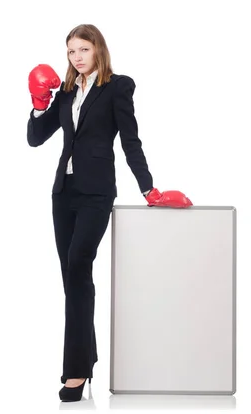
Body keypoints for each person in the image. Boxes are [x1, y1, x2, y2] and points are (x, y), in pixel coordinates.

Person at [26, 23, 191, 402]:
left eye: (83, 49)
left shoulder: (118, 87)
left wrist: (148, 187)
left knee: (78, 266)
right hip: (63, 193)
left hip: (97, 193)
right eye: (70, 52)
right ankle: (88, 359)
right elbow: (36, 139)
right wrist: (38, 104)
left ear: (98, 49)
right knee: (72, 279)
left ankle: (75, 373)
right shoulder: (66, 92)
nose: (77, 57)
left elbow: (131, 140)